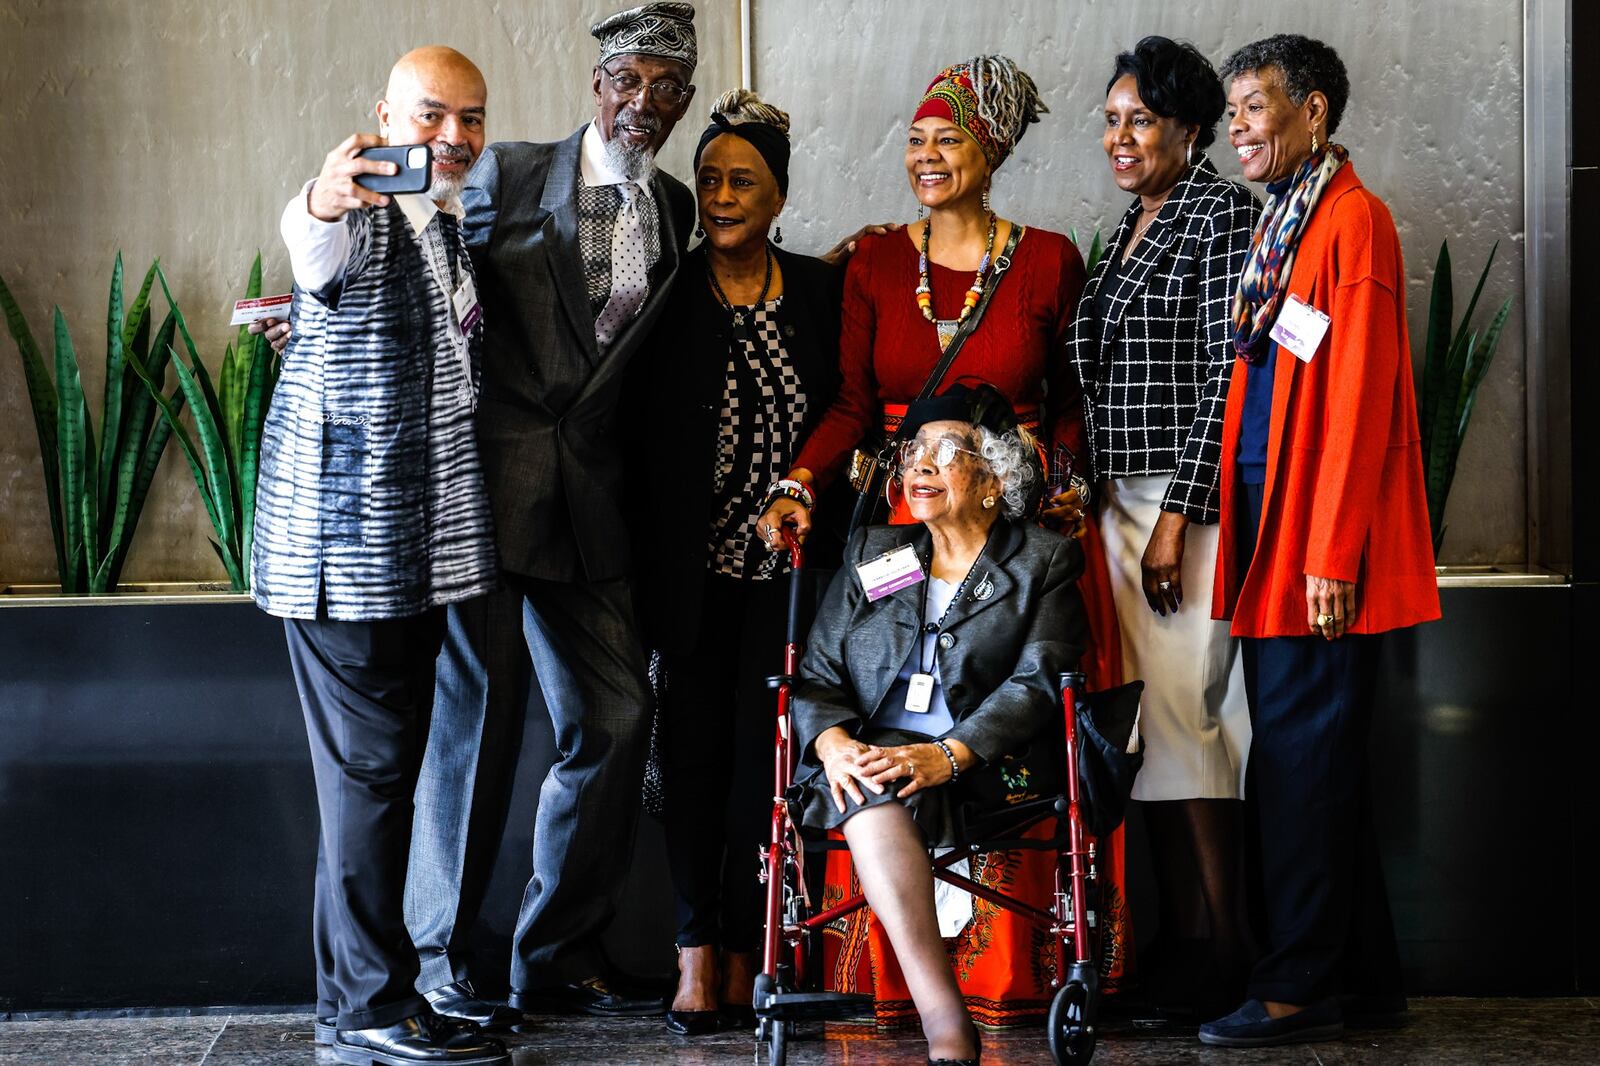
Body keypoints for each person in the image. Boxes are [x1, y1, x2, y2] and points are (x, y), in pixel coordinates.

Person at [757, 54, 1132, 1025]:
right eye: (915, 140)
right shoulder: (878, 261)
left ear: (990, 150)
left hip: (1007, 520)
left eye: (947, 139)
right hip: (900, 516)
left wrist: (1058, 487)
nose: (925, 156)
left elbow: (1071, 405)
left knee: (998, 694)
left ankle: (1005, 980)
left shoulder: (1046, 258)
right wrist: (801, 481)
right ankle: (905, 989)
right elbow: (849, 403)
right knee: (875, 682)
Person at [402, 1, 700, 1020]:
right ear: (597, 86)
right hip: (486, 491)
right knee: (476, 727)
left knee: (616, 716)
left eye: (666, 87)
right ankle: (438, 963)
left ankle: (556, 953)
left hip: (592, 508)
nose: (643, 101)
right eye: (628, 81)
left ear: (684, 102)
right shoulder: (506, 169)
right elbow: (432, 274)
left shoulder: (678, 207)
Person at [252, 46, 510, 1066]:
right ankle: (364, 1003)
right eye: (431, 116)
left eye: (472, 119)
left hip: (414, 559)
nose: (452, 137)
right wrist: (322, 193)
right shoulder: (354, 218)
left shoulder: (441, 229)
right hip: (341, 559)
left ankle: (374, 993)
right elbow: (308, 238)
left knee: (383, 778)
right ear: (383, 118)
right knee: (367, 778)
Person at [1197, 34, 1441, 1048]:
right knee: (1313, 757)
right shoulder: (1284, 227)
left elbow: (1360, 399)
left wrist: (1330, 554)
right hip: (1271, 527)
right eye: (1235, 110)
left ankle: (1296, 985)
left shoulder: (1353, 222)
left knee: (1298, 760)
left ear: (1314, 113)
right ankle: (1363, 980)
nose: (1239, 127)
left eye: (1256, 106)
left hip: (1312, 541)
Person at [621, 90, 844, 1036]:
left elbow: (852, 407)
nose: (718, 195)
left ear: (779, 195)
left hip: (789, 581)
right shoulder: (666, 295)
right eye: (708, 178)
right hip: (686, 576)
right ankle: (693, 951)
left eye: (740, 180)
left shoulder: (824, 293)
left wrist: (801, 485)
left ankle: (758, 950)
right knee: (695, 761)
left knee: (765, 768)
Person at [791, 382, 1088, 1065]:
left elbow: (1039, 681)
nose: (919, 466)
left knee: (879, 780)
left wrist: (950, 753)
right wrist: (834, 744)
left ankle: (946, 1026)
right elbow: (817, 674)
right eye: (913, 451)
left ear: (993, 478)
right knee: (867, 780)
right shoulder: (875, 554)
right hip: (871, 756)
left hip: (987, 765)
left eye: (946, 451)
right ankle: (945, 1021)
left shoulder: (1041, 559)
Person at [1064, 35, 1259, 1014]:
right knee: (1150, 731)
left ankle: (1226, 951)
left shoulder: (1219, 212)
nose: (1120, 136)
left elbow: (1226, 375)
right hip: (1119, 509)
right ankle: (1180, 945)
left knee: (1197, 728)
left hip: (1185, 512)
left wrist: (1179, 515)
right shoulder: (1131, 222)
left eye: (1139, 118)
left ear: (1190, 126)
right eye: (1110, 118)